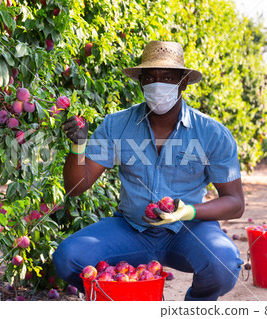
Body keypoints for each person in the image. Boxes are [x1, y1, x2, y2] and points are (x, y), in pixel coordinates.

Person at [53, 41, 245, 301]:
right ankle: (136, 297)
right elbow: (76, 188)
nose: (158, 85)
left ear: (184, 82)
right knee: (68, 257)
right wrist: (77, 146)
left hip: (188, 231)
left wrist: (188, 211)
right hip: (131, 229)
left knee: (223, 264)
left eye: (167, 78)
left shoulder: (212, 134)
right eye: (150, 77)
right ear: (141, 82)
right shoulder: (117, 125)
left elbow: (235, 203)